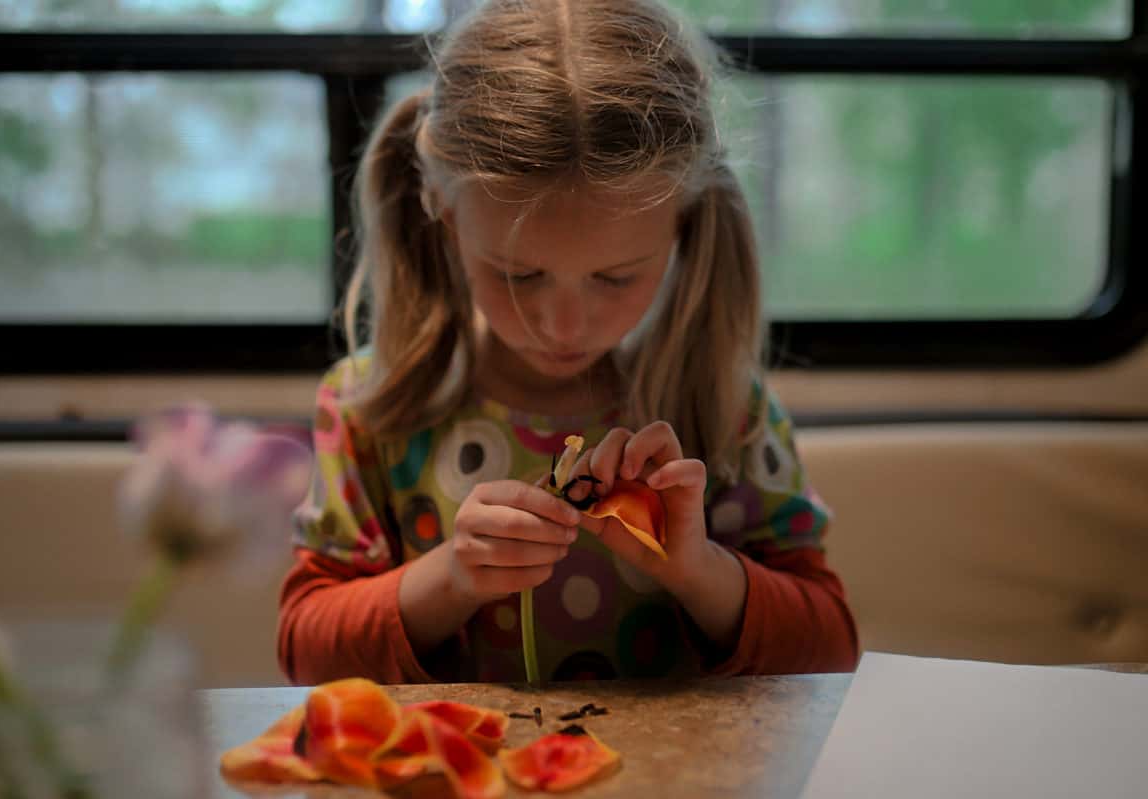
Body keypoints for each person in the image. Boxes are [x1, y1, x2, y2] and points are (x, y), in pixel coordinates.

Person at [277, 0, 858, 685]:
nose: (563, 326)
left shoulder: (726, 408)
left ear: (684, 224)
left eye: (616, 277)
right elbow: (304, 651)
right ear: (440, 205)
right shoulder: (370, 407)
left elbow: (830, 648)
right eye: (517, 275)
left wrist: (700, 571)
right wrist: (452, 577)